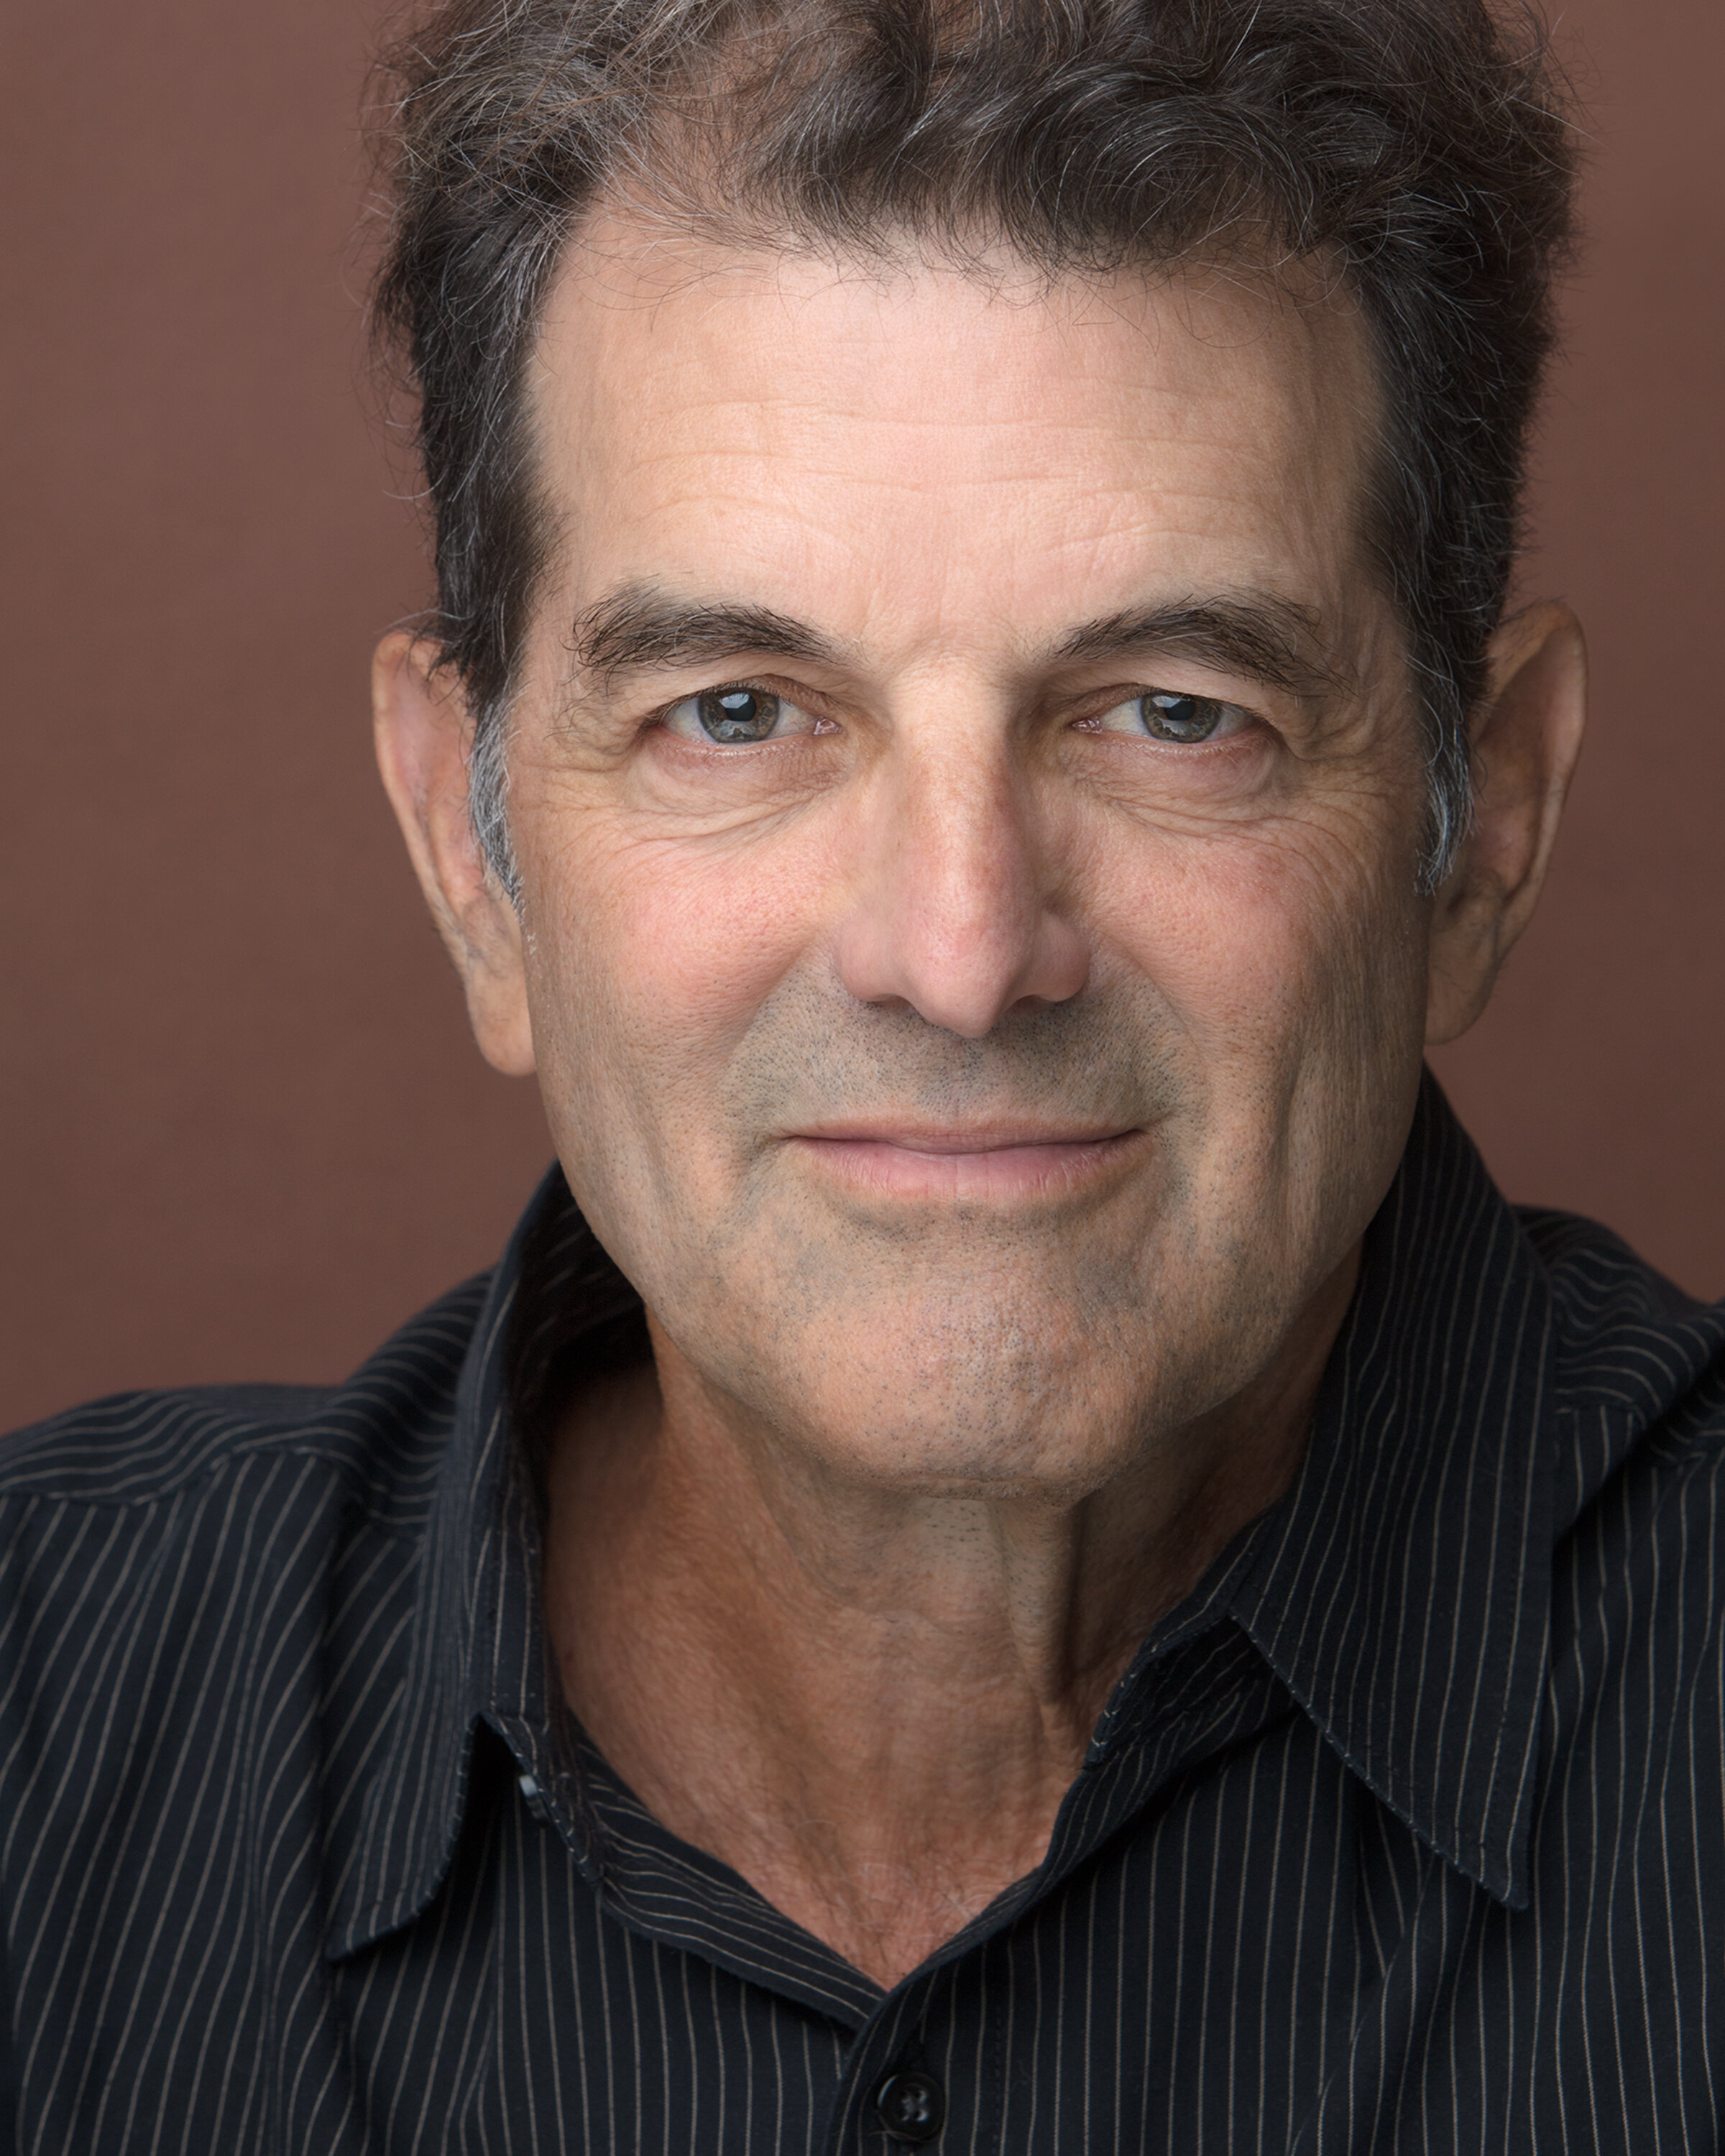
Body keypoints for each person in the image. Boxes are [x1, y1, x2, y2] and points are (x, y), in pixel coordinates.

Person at [3, 0, 1721, 2147]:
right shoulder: (39, 1734)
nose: (963, 955)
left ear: (1489, 828)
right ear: (471, 851)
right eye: (736, 712)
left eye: (1176, 712)